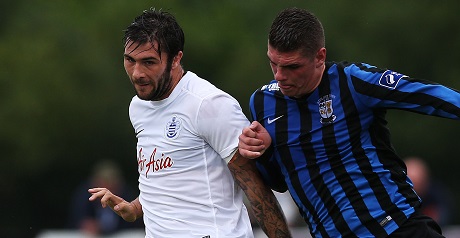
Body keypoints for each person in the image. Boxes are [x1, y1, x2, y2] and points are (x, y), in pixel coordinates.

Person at [238, 7, 460, 238]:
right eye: (273, 63)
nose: (279, 75)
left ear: (320, 57)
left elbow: (425, 94)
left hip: (397, 228)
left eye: (292, 66)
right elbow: (278, 182)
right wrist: (260, 152)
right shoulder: (263, 103)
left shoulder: (352, 82)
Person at [88, 8, 291, 238]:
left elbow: (257, 191)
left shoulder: (208, 104)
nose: (137, 73)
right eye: (130, 60)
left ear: (176, 59)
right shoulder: (138, 107)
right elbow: (168, 178)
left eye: (149, 62)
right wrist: (134, 209)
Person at [68, 160, 143, 235]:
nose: (107, 193)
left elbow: (135, 225)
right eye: (103, 185)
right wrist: (85, 224)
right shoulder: (83, 197)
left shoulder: (128, 196)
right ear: (94, 183)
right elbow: (77, 220)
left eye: (112, 188)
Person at [404, 156, 453, 227]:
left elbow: (443, 213)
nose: (415, 186)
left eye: (418, 182)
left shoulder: (436, 194)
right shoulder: (395, 197)